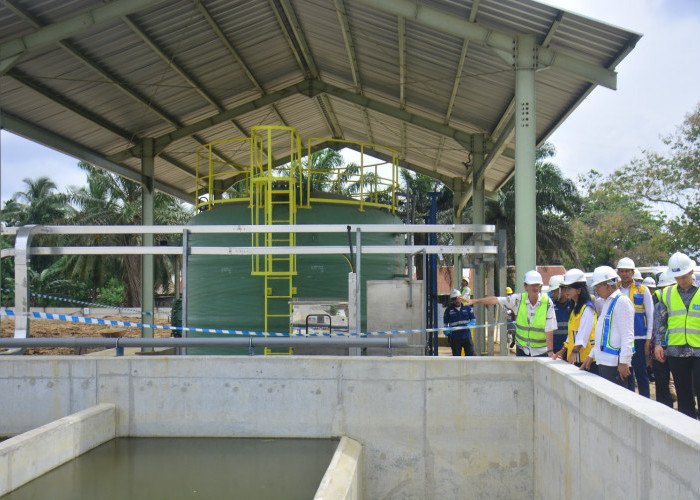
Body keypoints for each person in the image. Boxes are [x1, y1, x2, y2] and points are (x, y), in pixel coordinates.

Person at [465, 270, 557, 357]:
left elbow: (549, 329)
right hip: (522, 350)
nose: (535, 287)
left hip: (541, 352)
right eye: (532, 285)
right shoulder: (517, 300)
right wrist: (474, 301)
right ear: (525, 286)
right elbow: (496, 299)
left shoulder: (547, 303)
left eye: (538, 285)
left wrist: (550, 351)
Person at [654, 252, 700, 419]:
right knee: (683, 394)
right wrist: (658, 344)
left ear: (691, 272)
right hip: (676, 351)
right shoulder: (666, 293)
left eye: (683, 276)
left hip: (698, 351)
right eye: (677, 278)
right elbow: (660, 321)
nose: (680, 281)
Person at [580, 266, 635, 387]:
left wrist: (624, 361)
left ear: (608, 285)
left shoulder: (622, 302)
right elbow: (603, 333)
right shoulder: (607, 302)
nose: (596, 290)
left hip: (614, 363)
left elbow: (627, 335)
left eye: (598, 287)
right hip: (605, 361)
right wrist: (592, 355)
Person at [616, 257, 654, 398]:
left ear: (633, 272)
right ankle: (630, 399)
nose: (625, 274)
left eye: (627, 271)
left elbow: (650, 315)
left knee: (641, 372)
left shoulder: (643, 290)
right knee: (626, 372)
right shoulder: (615, 290)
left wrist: (648, 340)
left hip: (638, 338)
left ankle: (646, 401)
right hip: (621, 338)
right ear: (618, 272)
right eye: (622, 271)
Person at [554, 269, 596, 366]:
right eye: (565, 288)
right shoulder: (575, 308)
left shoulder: (587, 308)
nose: (566, 292)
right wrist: (563, 350)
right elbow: (572, 334)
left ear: (579, 290)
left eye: (569, 288)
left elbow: (583, 334)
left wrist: (574, 352)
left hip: (587, 360)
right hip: (578, 358)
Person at [651, 270, 675, 408]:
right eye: (662, 288)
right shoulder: (658, 303)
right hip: (660, 349)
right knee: (661, 383)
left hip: (679, 349)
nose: (665, 291)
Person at [443, 289, 475, 357]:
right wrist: (448, 334)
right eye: (454, 299)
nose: (456, 301)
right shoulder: (448, 310)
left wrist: (468, 326)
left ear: (460, 298)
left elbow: (473, 320)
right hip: (455, 338)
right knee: (456, 358)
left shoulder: (467, 308)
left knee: (470, 356)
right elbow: (445, 325)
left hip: (466, 336)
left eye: (457, 298)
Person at [548, 275, 573, 354]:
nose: (553, 294)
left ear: (562, 289)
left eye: (555, 291)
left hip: (569, 348)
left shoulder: (573, 304)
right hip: (554, 349)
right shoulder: (550, 305)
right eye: (552, 291)